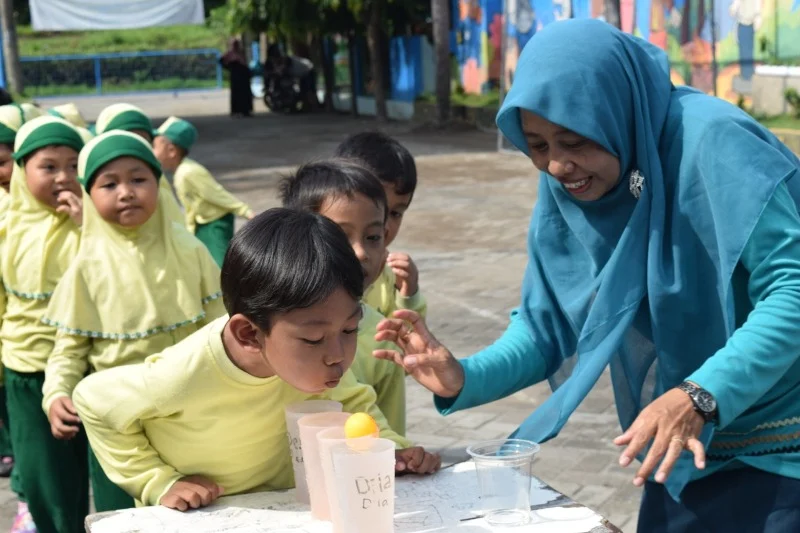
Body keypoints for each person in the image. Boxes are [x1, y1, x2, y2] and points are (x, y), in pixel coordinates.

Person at [373, 19, 800, 532]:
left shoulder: (715, 142)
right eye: (536, 145)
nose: (557, 166)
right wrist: (464, 375)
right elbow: (548, 325)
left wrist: (701, 394)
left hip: (778, 447)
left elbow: (792, 286)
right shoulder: (575, 184)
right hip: (682, 446)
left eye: (575, 141)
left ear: (616, 116)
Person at [72, 208, 440, 510]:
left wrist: (393, 450)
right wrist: (158, 481)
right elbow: (94, 400)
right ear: (249, 334)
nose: (338, 356)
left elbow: (353, 403)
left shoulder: (320, 365)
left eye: (349, 329)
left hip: (282, 511)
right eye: (313, 338)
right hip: (201, 519)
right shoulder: (184, 374)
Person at [41, 131, 226, 513]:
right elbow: (69, 349)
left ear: (158, 185)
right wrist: (56, 393)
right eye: (109, 184)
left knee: (197, 505)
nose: (126, 192)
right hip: (119, 422)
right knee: (123, 514)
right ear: (88, 197)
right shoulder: (85, 267)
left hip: (190, 412)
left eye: (139, 179)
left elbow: (219, 325)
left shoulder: (189, 250)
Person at [279, 159, 409, 435]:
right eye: (339, 236)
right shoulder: (274, 331)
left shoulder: (382, 334)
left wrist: (401, 457)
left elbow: (391, 429)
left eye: (373, 237)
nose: (361, 252)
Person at [1, 116, 86, 533]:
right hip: (27, 368)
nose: (64, 177)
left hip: (88, 368)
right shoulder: (7, 225)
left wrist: (87, 225)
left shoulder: (93, 222)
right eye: (48, 167)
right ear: (22, 171)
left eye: (73, 165)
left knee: (110, 477)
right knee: (46, 481)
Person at [334, 132, 426, 319]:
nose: (383, 225)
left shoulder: (391, 275)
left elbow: (405, 339)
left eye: (395, 213)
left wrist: (409, 295)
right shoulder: (309, 271)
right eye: (374, 211)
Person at [153, 117, 254, 266]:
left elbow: (216, 194)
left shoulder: (189, 172)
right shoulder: (181, 172)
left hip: (215, 224)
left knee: (219, 266)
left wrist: (245, 211)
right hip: (201, 223)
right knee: (202, 261)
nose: (152, 151)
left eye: (155, 146)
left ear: (171, 151)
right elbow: (191, 205)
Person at [93, 103, 185, 227]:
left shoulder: (157, 180)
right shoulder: (94, 183)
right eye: (126, 141)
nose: (135, 149)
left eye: (142, 142)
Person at [220, 38, 253, 118]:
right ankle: (236, 111)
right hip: (235, 76)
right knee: (236, 94)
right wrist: (228, 67)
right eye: (234, 44)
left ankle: (246, 110)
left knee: (245, 94)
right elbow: (222, 61)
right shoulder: (229, 54)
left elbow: (244, 63)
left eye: (236, 44)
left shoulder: (241, 52)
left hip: (243, 76)